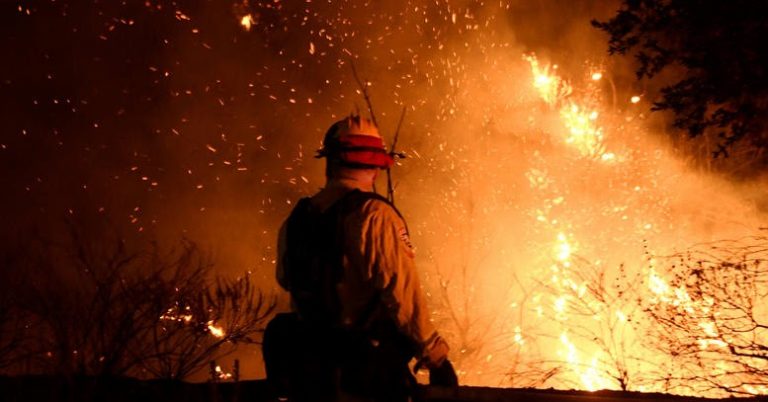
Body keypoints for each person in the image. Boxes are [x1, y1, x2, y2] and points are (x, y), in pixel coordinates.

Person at [263, 114, 454, 402]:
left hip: (308, 375)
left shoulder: (299, 217)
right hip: (362, 374)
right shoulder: (375, 216)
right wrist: (435, 357)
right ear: (377, 165)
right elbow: (403, 295)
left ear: (329, 161)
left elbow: (285, 279)